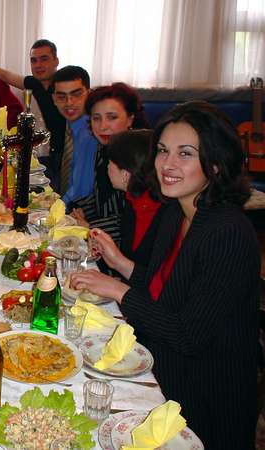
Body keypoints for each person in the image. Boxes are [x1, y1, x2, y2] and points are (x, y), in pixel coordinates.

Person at [71, 101, 259, 450]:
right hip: (165, 363)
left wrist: (118, 289)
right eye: (162, 151)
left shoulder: (227, 232)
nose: (167, 164)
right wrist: (121, 262)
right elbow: (164, 289)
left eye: (185, 154)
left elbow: (189, 334)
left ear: (216, 164)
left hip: (204, 393)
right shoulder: (178, 211)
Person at [70, 82, 150, 243]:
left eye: (112, 117)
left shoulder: (143, 156)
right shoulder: (103, 149)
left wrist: (91, 228)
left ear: (130, 119)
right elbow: (100, 196)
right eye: (96, 118)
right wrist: (76, 211)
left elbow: (135, 218)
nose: (102, 126)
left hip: (127, 249)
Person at [0, 39, 65, 160]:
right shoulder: (34, 83)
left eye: (44, 59)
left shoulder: (66, 86)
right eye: (34, 60)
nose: (38, 65)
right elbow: (5, 75)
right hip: (41, 154)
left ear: (56, 61)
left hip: (65, 157)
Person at [93, 129, 163, 267]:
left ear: (125, 174)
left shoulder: (158, 213)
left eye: (110, 163)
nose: (107, 167)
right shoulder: (135, 202)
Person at [50, 66, 98, 201]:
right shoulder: (69, 124)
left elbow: (80, 192)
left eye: (76, 94)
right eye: (61, 97)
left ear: (89, 94)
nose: (69, 103)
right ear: (54, 99)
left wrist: (56, 210)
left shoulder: (91, 133)